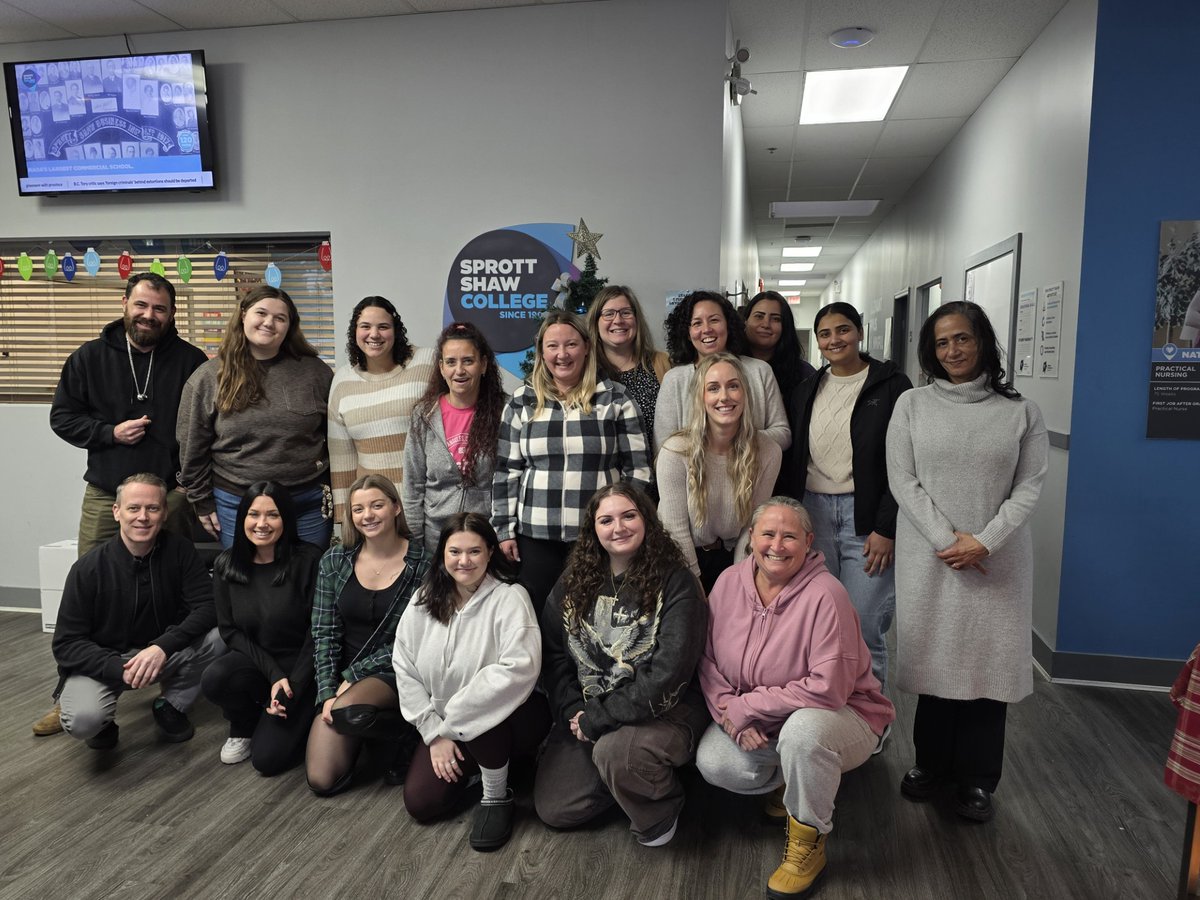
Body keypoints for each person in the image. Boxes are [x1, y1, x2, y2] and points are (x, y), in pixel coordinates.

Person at [885, 300, 1048, 823]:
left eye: (962, 338)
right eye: (941, 342)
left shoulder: (1021, 411)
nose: (952, 350)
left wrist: (985, 541)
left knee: (986, 666)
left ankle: (979, 779)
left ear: (983, 342)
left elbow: (1030, 486)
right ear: (930, 352)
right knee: (936, 660)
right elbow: (901, 479)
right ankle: (930, 765)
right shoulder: (912, 404)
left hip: (997, 562)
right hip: (930, 557)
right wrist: (947, 539)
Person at [695, 497, 894, 898]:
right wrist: (728, 715)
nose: (777, 545)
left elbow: (829, 688)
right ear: (752, 538)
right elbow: (707, 659)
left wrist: (747, 705)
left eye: (790, 536)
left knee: (803, 734)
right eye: (768, 533)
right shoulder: (729, 582)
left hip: (842, 715)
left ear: (808, 541)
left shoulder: (828, 595)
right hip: (764, 719)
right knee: (714, 762)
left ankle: (808, 843)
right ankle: (792, 781)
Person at [41, 272, 207, 737]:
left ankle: (171, 693)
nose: (149, 315)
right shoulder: (89, 358)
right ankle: (71, 693)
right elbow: (62, 417)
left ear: (171, 313)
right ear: (124, 303)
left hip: (171, 494)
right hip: (107, 492)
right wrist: (108, 432)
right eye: (141, 305)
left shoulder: (191, 361)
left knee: (176, 588)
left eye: (159, 308)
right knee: (89, 590)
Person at [535, 483, 708, 848]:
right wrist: (575, 711)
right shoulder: (574, 581)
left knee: (619, 755)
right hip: (590, 712)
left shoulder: (677, 581)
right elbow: (553, 653)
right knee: (556, 808)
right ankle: (630, 778)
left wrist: (598, 720)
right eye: (606, 520)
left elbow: (667, 673)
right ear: (593, 530)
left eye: (629, 515)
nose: (619, 527)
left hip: (662, 711)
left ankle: (659, 803)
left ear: (646, 520)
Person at [393, 513, 548, 851]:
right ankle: (488, 767)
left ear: (491, 552)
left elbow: (517, 669)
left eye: (474, 552)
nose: (464, 561)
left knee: (483, 708)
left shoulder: (510, 597)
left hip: (511, 717)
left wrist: (451, 722)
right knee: (422, 803)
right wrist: (434, 734)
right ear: (442, 554)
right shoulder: (424, 599)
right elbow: (403, 666)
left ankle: (496, 796)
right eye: (455, 552)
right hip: (444, 723)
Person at [778, 302, 912, 693]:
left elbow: (903, 463)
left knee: (865, 623)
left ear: (859, 332)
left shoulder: (891, 385)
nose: (834, 339)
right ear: (817, 341)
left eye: (843, 330)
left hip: (866, 517)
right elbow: (793, 457)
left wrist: (886, 526)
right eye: (825, 333)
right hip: (814, 512)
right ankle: (828, 706)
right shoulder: (807, 389)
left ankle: (871, 718)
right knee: (819, 620)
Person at [493, 309, 651, 615]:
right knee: (538, 619)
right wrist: (504, 530)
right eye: (552, 346)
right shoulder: (521, 402)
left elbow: (639, 470)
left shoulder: (615, 399)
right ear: (541, 352)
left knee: (592, 618)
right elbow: (506, 472)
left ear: (587, 347)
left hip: (598, 537)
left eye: (571, 344)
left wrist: (627, 524)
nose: (562, 354)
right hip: (535, 536)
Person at [52, 474, 223, 752]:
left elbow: (209, 607)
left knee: (221, 636)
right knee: (83, 721)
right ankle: (103, 722)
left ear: (165, 512)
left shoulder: (180, 550)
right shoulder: (87, 569)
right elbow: (66, 644)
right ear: (117, 512)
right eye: (133, 508)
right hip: (106, 663)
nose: (142, 517)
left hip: (161, 654)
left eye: (152, 508)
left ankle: (170, 704)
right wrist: (117, 668)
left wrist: (162, 647)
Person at [177, 285, 334, 550]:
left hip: (306, 501)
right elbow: (192, 446)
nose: (269, 322)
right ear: (242, 316)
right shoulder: (209, 377)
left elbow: (335, 437)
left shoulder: (315, 373)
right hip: (237, 502)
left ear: (289, 326)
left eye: (280, 318)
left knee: (307, 581)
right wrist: (201, 501)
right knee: (247, 581)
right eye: (261, 313)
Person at [305, 474, 429, 795]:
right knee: (321, 780)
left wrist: (354, 675)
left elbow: (417, 640)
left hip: (398, 670)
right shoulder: (334, 560)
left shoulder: (424, 563)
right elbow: (324, 634)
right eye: (358, 509)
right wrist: (327, 693)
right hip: (346, 677)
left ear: (396, 507)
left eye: (377, 505)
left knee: (348, 711)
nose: (368, 516)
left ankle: (406, 734)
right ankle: (365, 733)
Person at [200, 482, 323, 775]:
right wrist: (273, 674)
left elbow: (318, 632)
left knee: (267, 761)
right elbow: (229, 631)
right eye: (254, 514)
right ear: (242, 517)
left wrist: (290, 685)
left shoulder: (309, 560)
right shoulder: (227, 565)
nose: (262, 524)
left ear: (286, 520)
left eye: (273, 515)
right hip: (261, 663)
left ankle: (302, 714)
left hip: (305, 668)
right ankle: (243, 723)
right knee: (216, 677)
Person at [657, 352, 781, 592]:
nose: (724, 397)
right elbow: (675, 530)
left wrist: (740, 582)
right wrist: (695, 585)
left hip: (738, 557)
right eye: (713, 388)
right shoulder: (674, 452)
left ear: (745, 393)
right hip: (682, 560)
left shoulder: (768, 452)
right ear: (701, 397)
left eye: (733, 386)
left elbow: (752, 527)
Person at [328, 296, 435, 529]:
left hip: (428, 505)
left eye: (383, 327)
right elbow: (341, 458)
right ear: (354, 332)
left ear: (396, 331)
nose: (374, 334)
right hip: (374, 514)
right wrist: (344, 517)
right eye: (365, 326)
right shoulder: (342, 381)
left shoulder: (426, 362)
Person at [402, 322, 503, 552]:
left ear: (483, 364)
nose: (459, 370)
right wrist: (416, 541)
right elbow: (413, 484)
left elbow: (509, 481)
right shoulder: (424, 415)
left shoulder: (503, 412)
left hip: (486, 536)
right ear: (441, 367)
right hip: (436, 538)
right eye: (451, 362)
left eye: (468, 361)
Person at [654, 290, 790, 451]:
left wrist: (738, 441)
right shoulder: (674, 379)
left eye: (714, 320)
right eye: (697, 323)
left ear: (728, 325)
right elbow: (664, 445)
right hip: (692, 475)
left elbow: (783, 434)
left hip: (752, 474)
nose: (707, 329)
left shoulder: (760, 371)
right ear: (688, 334)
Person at [585, 285, 671, 454]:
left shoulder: (663, 364)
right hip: (604, 477)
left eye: (625, 312)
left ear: (637, 319)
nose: (618, 320)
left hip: (657, 474)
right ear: (595, 322)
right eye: (608, 313)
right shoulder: (585, 370)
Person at [743, 290, 816, 400]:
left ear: (785, 327)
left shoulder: (804, 374)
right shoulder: (728, 366)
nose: (766, 324)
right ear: (745, 321)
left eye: (776, 319)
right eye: (759, 316)